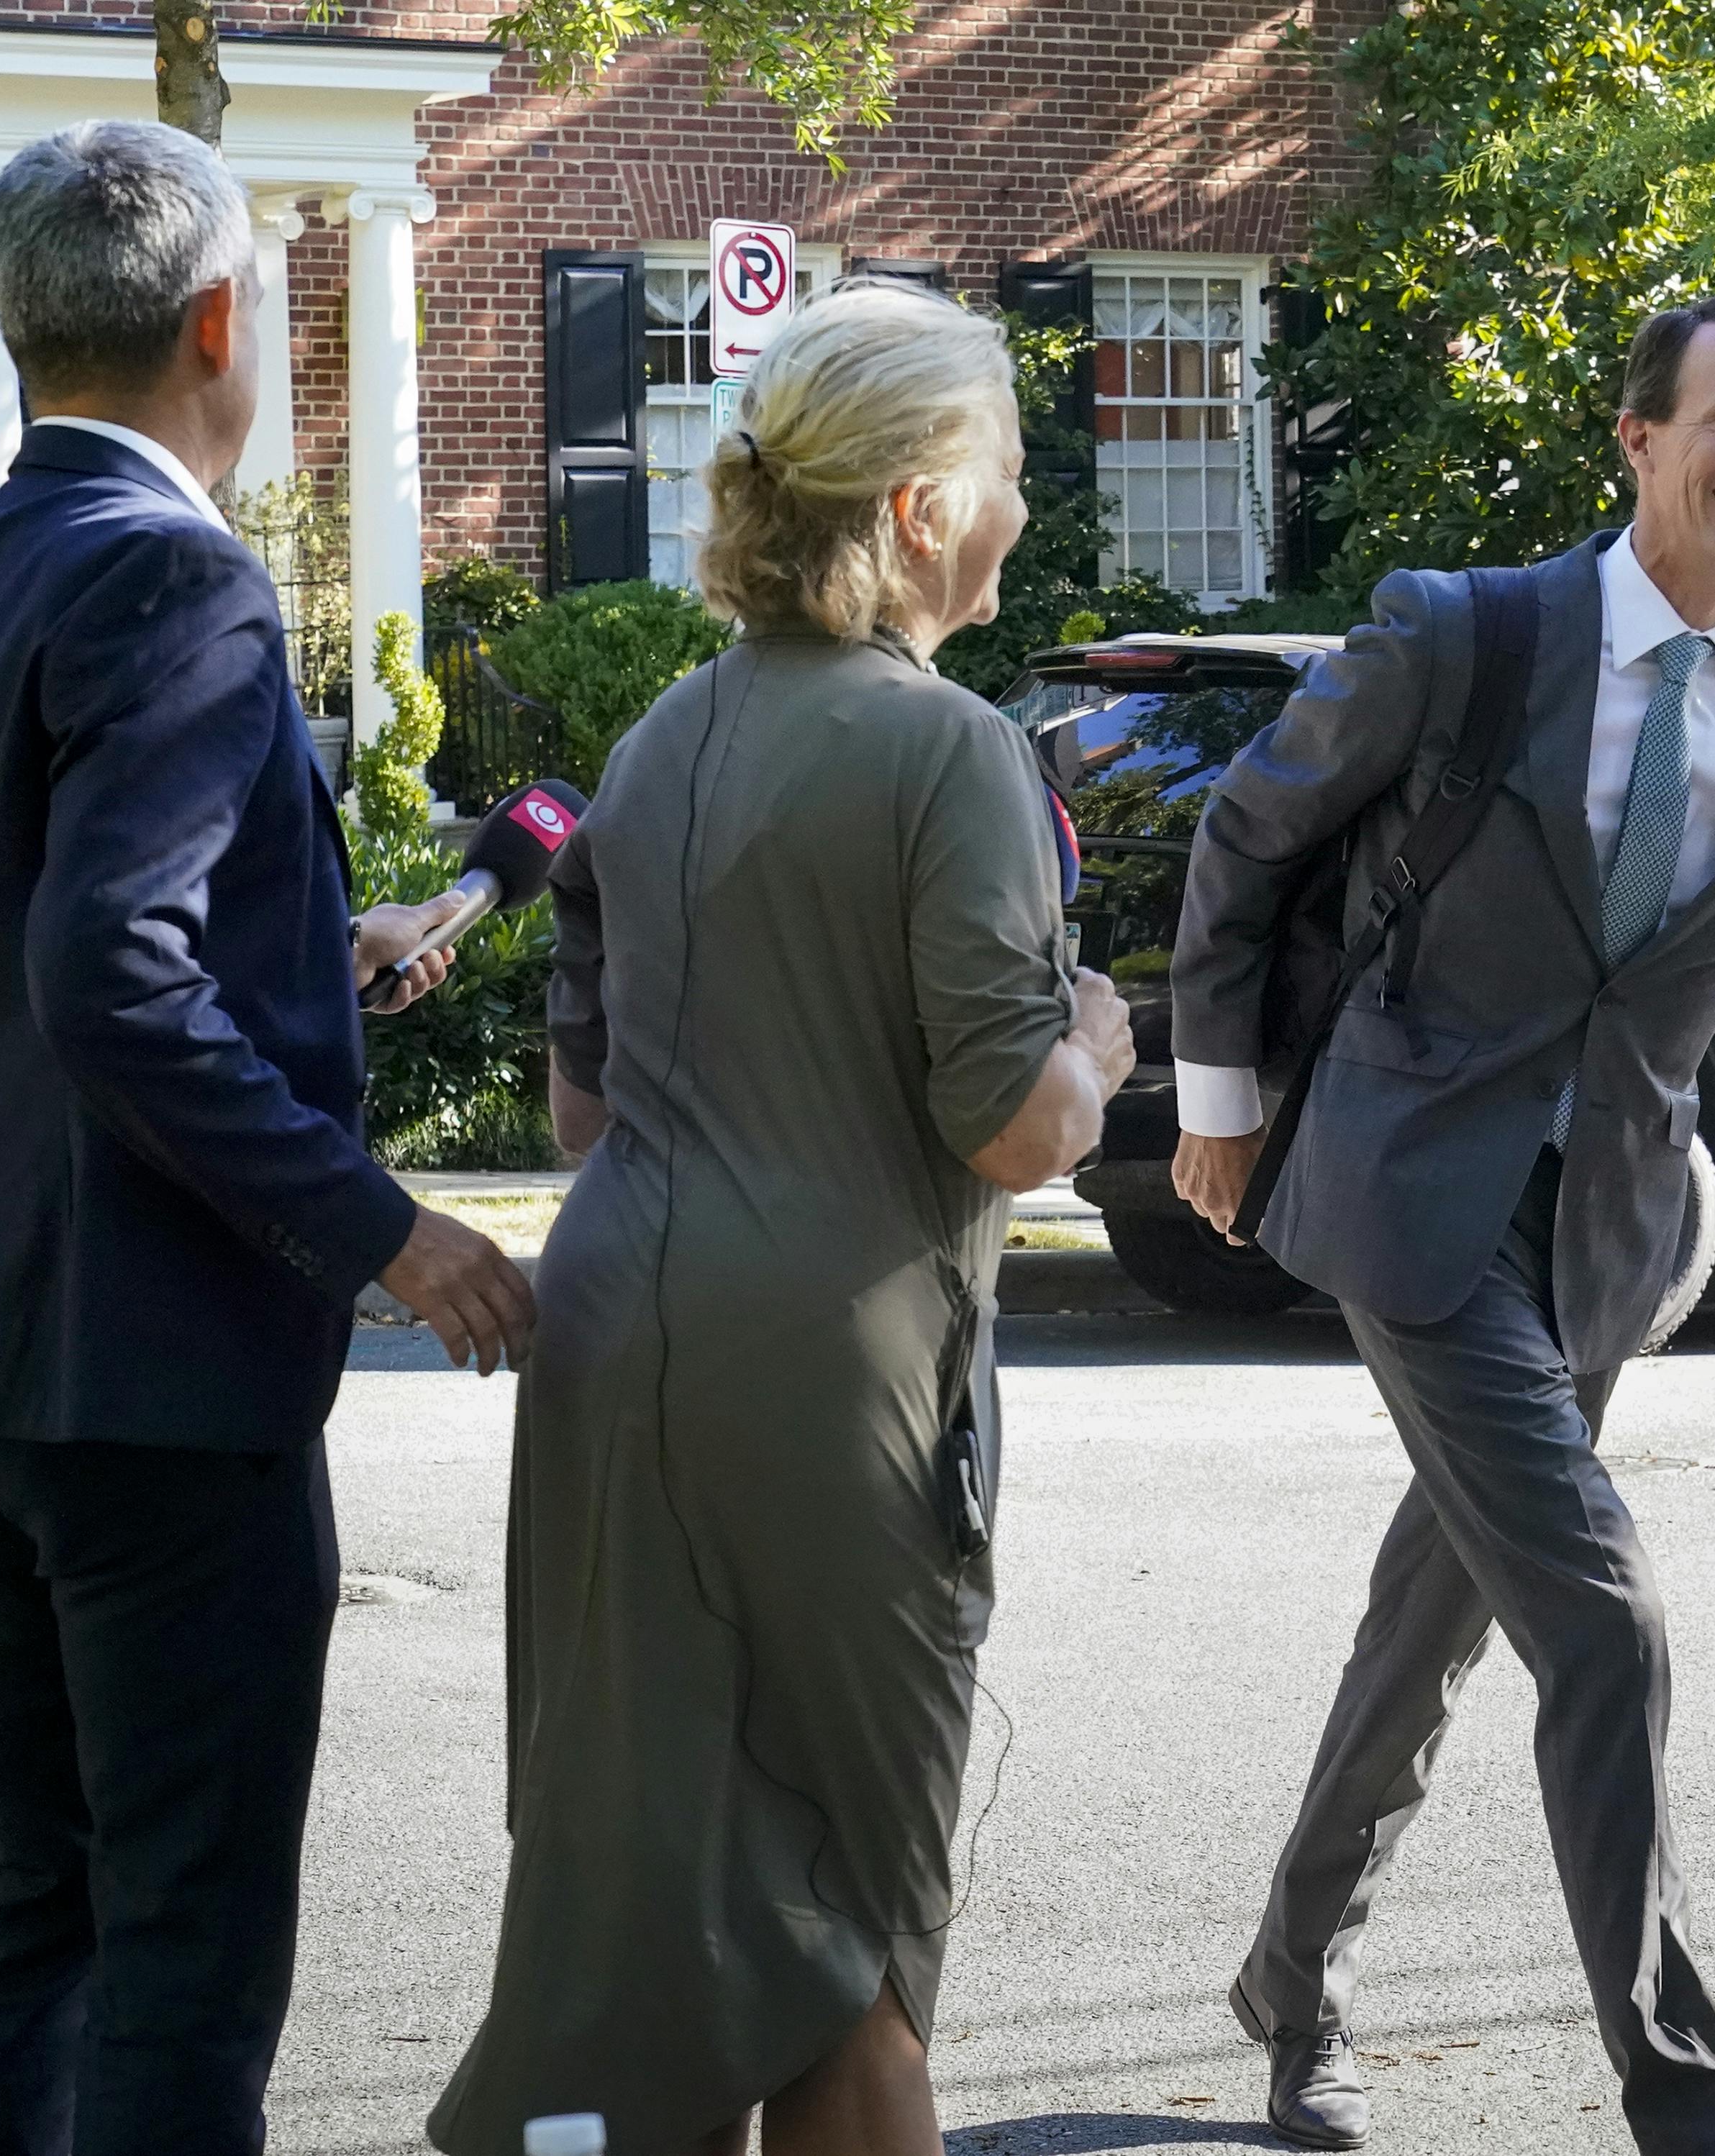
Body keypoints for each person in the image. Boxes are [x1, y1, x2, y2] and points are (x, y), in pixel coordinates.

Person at [0, 119, 534, 2155]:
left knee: (46, 1890)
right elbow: (112, 982)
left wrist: (326, 938)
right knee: (183, 1943)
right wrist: (389, 1232)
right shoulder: (174, 574)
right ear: (223, 318)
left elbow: (47, 923)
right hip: (139, 1373)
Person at [427, 281, 1134, 2156]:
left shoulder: (653, 740)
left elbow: (583, 1109)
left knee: (670, 1904)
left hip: (613, 1353)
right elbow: (1006, 1124)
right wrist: (1102, 1042)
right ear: (915, 505)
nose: (1019, 513)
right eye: (999, 471)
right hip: (834, 1379)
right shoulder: (951, 750)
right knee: (850, 1940)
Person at [1169, 289, 1715, 2156]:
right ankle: (1680, 2099)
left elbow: (1683, 980)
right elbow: (1248, 842)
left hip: (1601, 1241)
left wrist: (1684, 1184)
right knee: (1604, 1624)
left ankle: (1288, 1977)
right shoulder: (1460, 635)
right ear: (1636, 438)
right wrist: (1224, 1109)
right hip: (1415, 1196)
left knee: (1432, 1631)